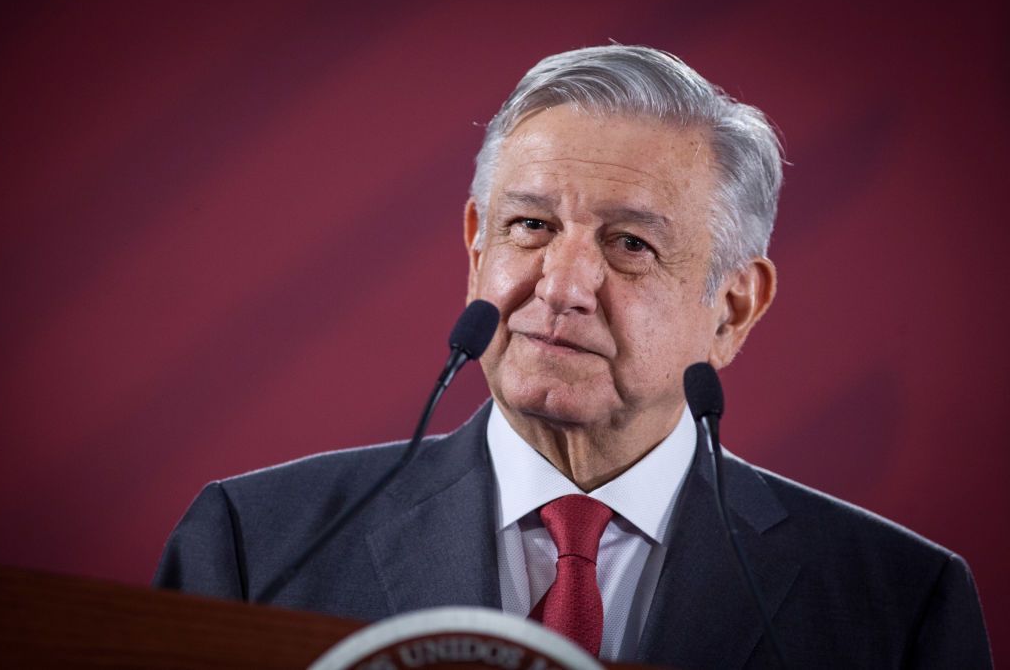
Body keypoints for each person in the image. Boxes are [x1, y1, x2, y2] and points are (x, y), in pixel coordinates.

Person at [155, 45, 992, 668]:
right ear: (477, 248)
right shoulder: (255, 544)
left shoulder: (898, 603)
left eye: (630, 243)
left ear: (733, 307)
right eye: (531, 226)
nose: (562, 286)